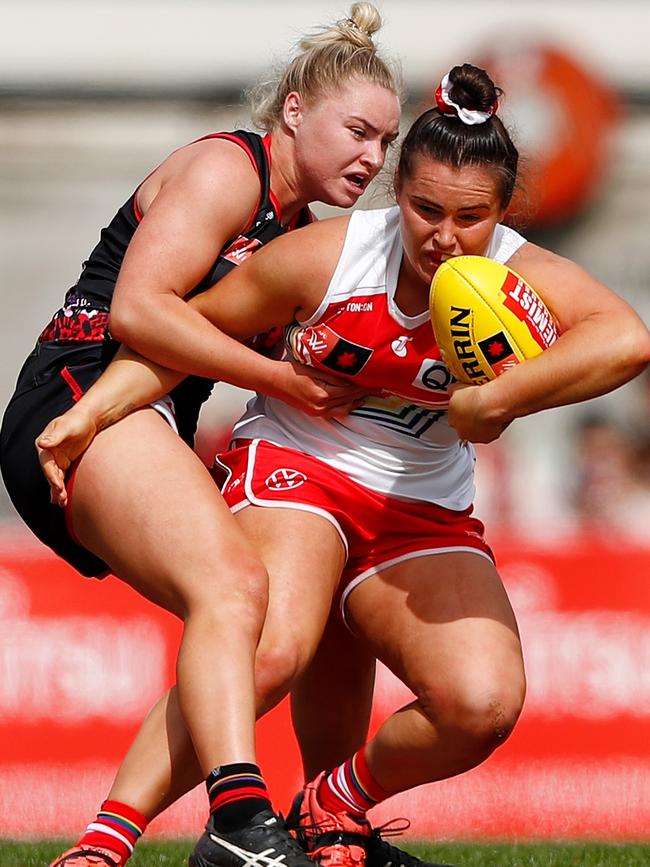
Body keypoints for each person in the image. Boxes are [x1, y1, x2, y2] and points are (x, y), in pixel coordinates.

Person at [35, 62, 650, 867]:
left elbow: (627, 338)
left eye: (471, 218)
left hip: (421, 501)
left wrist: (498, 400)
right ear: (397, 193)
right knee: (270, 647)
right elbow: (184, 334)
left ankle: (332, 809)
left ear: (501, 216)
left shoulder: (520, 275)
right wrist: (88, 412)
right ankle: (103, 845)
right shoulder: (329, 258)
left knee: (482, 702)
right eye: (425, 208)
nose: (444, 236)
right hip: (299, 465)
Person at [0, 6, 402, 867]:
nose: (372, 158)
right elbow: (137, 311)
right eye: (358, 131)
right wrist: (283, 377)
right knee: (232, 584)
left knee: (265, 638)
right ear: (294, 111)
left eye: (386, 141)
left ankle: (103, 848)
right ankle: (239, 821)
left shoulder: (305, 234)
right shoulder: (231, 170)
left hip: (139, 418)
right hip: (77, 399)